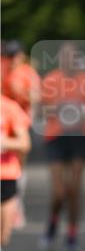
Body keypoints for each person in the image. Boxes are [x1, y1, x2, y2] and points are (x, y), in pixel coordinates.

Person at [40, 42, 85, 251]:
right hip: (55, 136)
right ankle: (52, 225)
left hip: (79, 137)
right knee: (58, 192)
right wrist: (60, 108)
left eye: (73, 57)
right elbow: (42, 112)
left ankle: (72, 236)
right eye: (65, 57)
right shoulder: (50, 80)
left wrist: (83, 112)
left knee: (74, 189)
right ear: (59, 59)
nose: (69, 61)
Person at [1, 40, 41, 229]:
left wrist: (23, 95)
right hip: (3, 121)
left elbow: (36, 98)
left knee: (18, 166)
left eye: (15, 55)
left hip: (21, 123)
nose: (12, 60)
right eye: (9, 56)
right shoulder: (3, 68)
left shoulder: (27, 72)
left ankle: (16, 205)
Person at [1, 94, 31, 246]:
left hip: (5, 174)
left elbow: (25, 143)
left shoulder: (9, 107)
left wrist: (4, 142)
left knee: (3, 237)